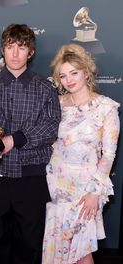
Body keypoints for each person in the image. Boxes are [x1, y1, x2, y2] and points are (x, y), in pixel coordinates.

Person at [0, 24, 61, 264]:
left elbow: (51, 127)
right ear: (2, 50)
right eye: (10, 47)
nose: (14, 54)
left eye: (21, 48)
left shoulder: (45, 88)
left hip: (31, 178)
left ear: (30, 52)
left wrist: (15, 139)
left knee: (29, 245)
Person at [42, 44, 120, 264]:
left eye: (74, 73)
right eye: (63, 75)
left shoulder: (106, 108)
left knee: (81, 251)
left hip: (86, 188)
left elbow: (109, 155)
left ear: (86, 71)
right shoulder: (56, 105)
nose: (69, 80)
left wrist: (95, 192)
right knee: (56, 246)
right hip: (55, 184)